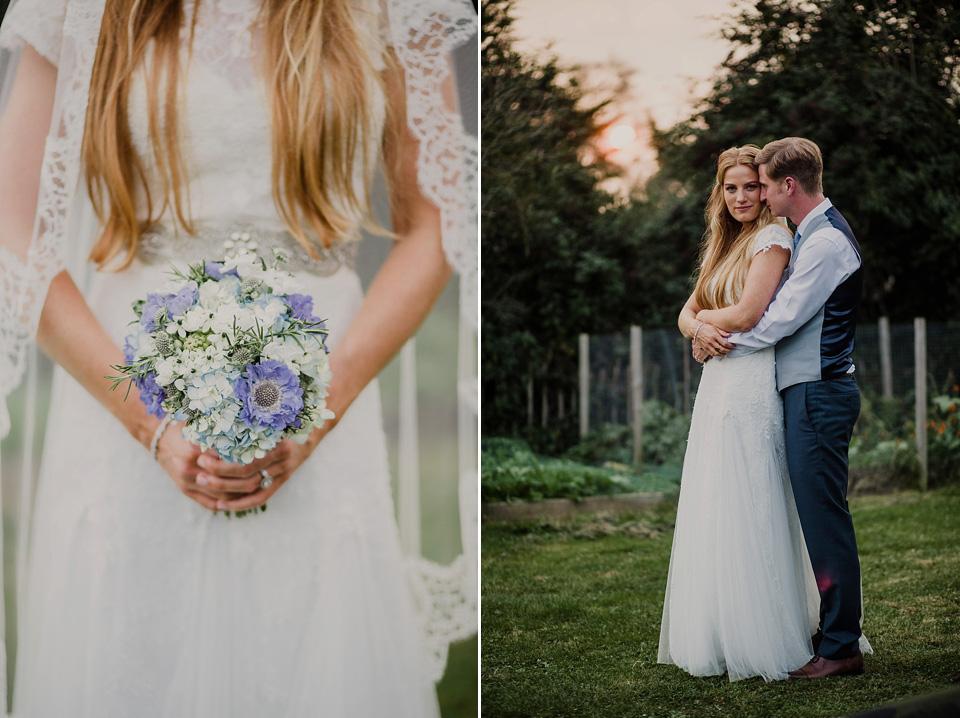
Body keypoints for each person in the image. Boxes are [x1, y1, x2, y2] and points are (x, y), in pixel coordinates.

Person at [0, 0, 477, 715]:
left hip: (320, 389)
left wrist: (318, 408)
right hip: (123, 393)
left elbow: (437, 219)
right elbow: (14, 227)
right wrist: (148, 426)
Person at [658, 144, 820, 682]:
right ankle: (721, 627)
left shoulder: (773, 239)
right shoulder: (723, 246)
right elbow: (685, 312)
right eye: (732, 188)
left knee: (751, 494)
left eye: (751, 186)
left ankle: (766, 630)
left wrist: (702, 322)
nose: (742, 196)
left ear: (768, 189)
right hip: (718, 381)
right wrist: (700, 326)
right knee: (716, 496)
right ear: (719, 194)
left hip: (749, 381)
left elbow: (751, 312)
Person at [719, 137, 869, 679]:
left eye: (762, 183)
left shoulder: (825, 242)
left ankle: (839, 647)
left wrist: (716, 338)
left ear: (787, 185)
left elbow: (781, 318)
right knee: (816, 515)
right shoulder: (813, 233)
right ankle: (832, 631)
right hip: (809, 390)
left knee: (825, 518)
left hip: (819, 391)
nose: (756, 193)